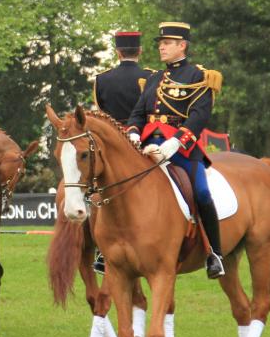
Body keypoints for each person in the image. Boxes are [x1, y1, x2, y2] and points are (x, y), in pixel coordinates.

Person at [127, 22, 225, 279]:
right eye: (160, 43)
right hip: (146, 147)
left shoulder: (198, 77)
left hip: (182, 149)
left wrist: (176, 143)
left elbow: (199, 116)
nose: (161, 47)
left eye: (167, 43)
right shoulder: (153, 79)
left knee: (202, 193)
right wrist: (134, 133)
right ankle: (109, 251)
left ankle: (215, 253)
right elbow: (138, 113)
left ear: (182, 45)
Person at [89, 30, 157, 272]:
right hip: (143, 141)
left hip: (112, 146)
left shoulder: (102, 80)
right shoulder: (151, 77)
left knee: (100, 193)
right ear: (139, 51)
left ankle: (101, 251)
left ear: (117, 52)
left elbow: (103, 116)